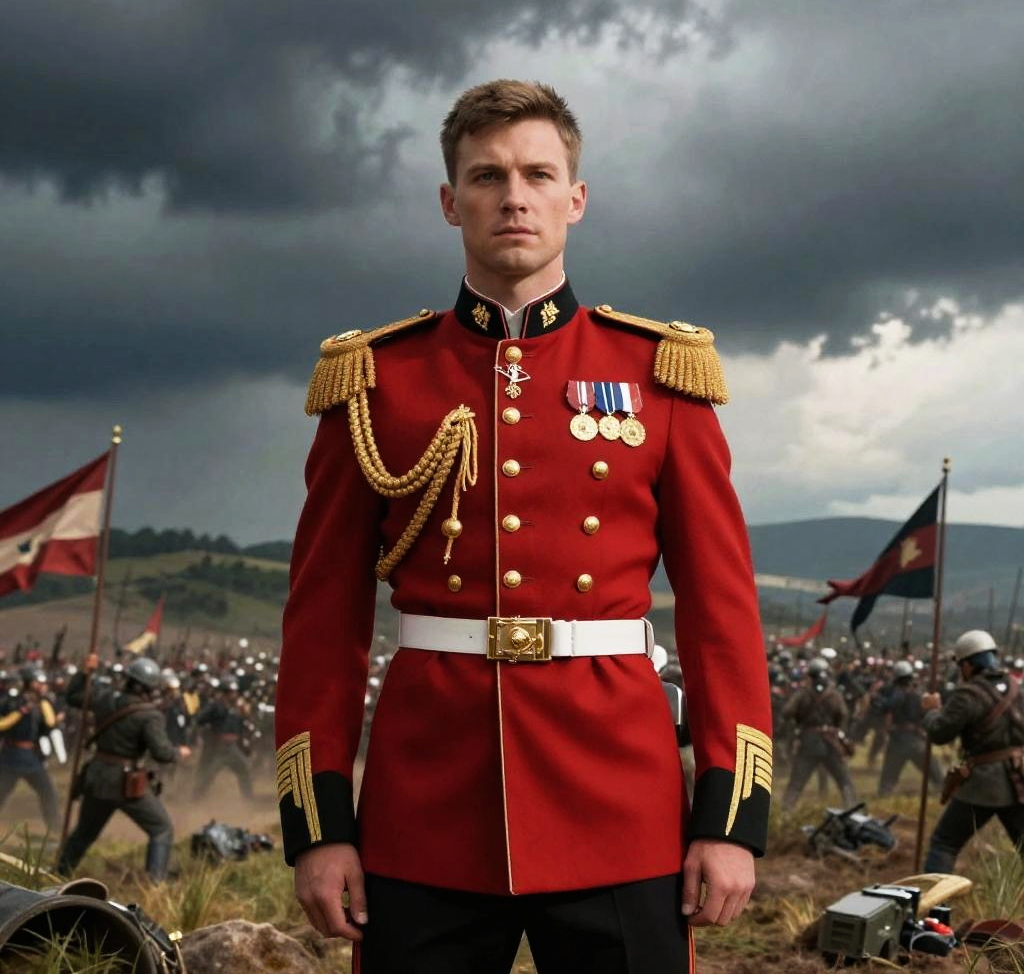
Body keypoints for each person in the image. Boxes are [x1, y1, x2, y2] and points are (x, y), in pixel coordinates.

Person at [275, 79, 773, 973]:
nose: (514, 196)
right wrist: (319, 827)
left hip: (619, 804)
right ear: (449, 200)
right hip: (427, 809)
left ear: (574, 199)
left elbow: (724, 614)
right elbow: (322, 621)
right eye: (487, 175)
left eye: (539, 174)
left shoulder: (660, 373)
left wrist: (730, 821)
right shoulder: (376, 381)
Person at [57, 654, 190, 882]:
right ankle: (155, 884)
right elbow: (162, 753)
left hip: (96, 776)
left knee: (83, 834)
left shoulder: (103, 698)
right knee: (161, 829)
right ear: (149, 688)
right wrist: (179, 753)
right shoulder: (149, 715)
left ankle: (58, 876)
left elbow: (72, 697)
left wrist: (84, 672)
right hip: (125, 783)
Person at [921, 629, 1024, 873]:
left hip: (984, 784)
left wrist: (931, 711)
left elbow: (939, 733)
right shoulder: (1017, 687)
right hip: (1019, 780)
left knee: (944, 843)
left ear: (967, 664)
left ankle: (935, 909)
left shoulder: (967, 694)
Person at [781, 657, 857, 808]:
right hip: (830, 741)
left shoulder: (802, 693)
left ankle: (785, 812)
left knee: (796, 783)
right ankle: (854, 810)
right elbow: (843, 714)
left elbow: (787, 712)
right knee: (844, 781)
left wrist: (800, 722)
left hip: (809, 741)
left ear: (810, 675)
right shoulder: (834, 694)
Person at [0, 666, 61, 833]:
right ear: (29, 683)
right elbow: (1, 725)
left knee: (48, 794)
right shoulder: (13, 701)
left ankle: (55, 832)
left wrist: (42, 701)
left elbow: (50, 723)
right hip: (10, 757)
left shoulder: (42, 703)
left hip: (31, 757)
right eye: (38, 682)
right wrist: (21, 711)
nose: (42, 686)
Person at [873, 659, 942, 797]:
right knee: (937, 776)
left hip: (899, 740)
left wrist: (875, 698)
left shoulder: (898, 693)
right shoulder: (920, 693)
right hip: (917, 740)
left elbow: (886, 708)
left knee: (887, 782)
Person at [193, 682, 254, 800]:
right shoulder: (215, 705)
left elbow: (241, 726)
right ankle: (194, 800)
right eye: (232, 692)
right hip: (217, 748)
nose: (235, 694)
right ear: (226, 693)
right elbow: (199, 719)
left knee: (244, 769)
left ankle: (249, 800)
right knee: (207, 776)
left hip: (231, 747)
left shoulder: (236, 707)